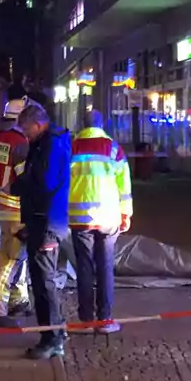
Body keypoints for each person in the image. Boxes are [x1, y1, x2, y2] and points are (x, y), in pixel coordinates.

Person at [10, 100, 72, 361]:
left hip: (46, 221)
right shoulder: (46, 143)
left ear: (38, 124)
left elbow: (43, 182)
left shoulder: (50, 145)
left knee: (44, 282)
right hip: (43, 219)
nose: (26, 136)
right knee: (41, 280)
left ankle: (53, 338)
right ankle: (53, 332)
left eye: (27, 131)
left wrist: (20, 183)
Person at [67, 109, 131, 335]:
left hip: (79, 219)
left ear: (82, 126)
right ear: (102, 125)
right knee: (105, 267)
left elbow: (64, 182)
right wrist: (126, 213)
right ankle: (105, 319)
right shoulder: (113, 149)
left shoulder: (72, 148)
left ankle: (85, 320)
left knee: (84, 268)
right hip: (108, 217)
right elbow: (124, 185)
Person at [0, 97, 33, 328]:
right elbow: (25, 179)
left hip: (2, 204)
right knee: (10, 258)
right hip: (16, 206)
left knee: (18, 256)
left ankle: (18, 300)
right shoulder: (21, 142)